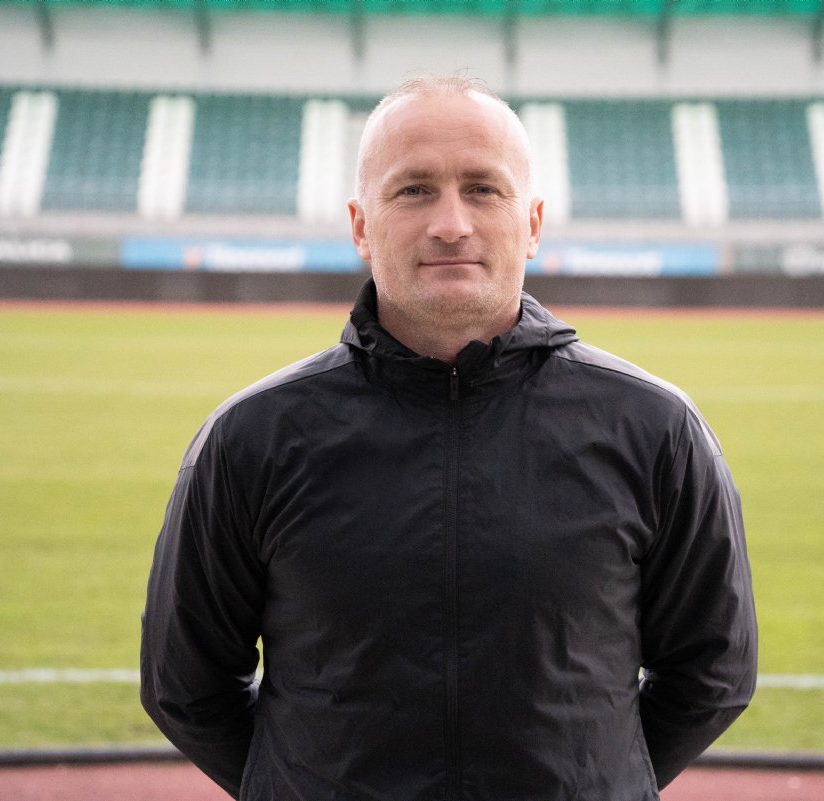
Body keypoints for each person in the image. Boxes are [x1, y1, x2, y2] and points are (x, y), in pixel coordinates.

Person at [140, 75, 757, 801]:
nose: (451, 224)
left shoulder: (655, 428)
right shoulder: (251, 438)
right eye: (413, 191)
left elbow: (713, 670)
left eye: (483, 189)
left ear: (532, 223)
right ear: (361, 226)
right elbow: (185, 684)